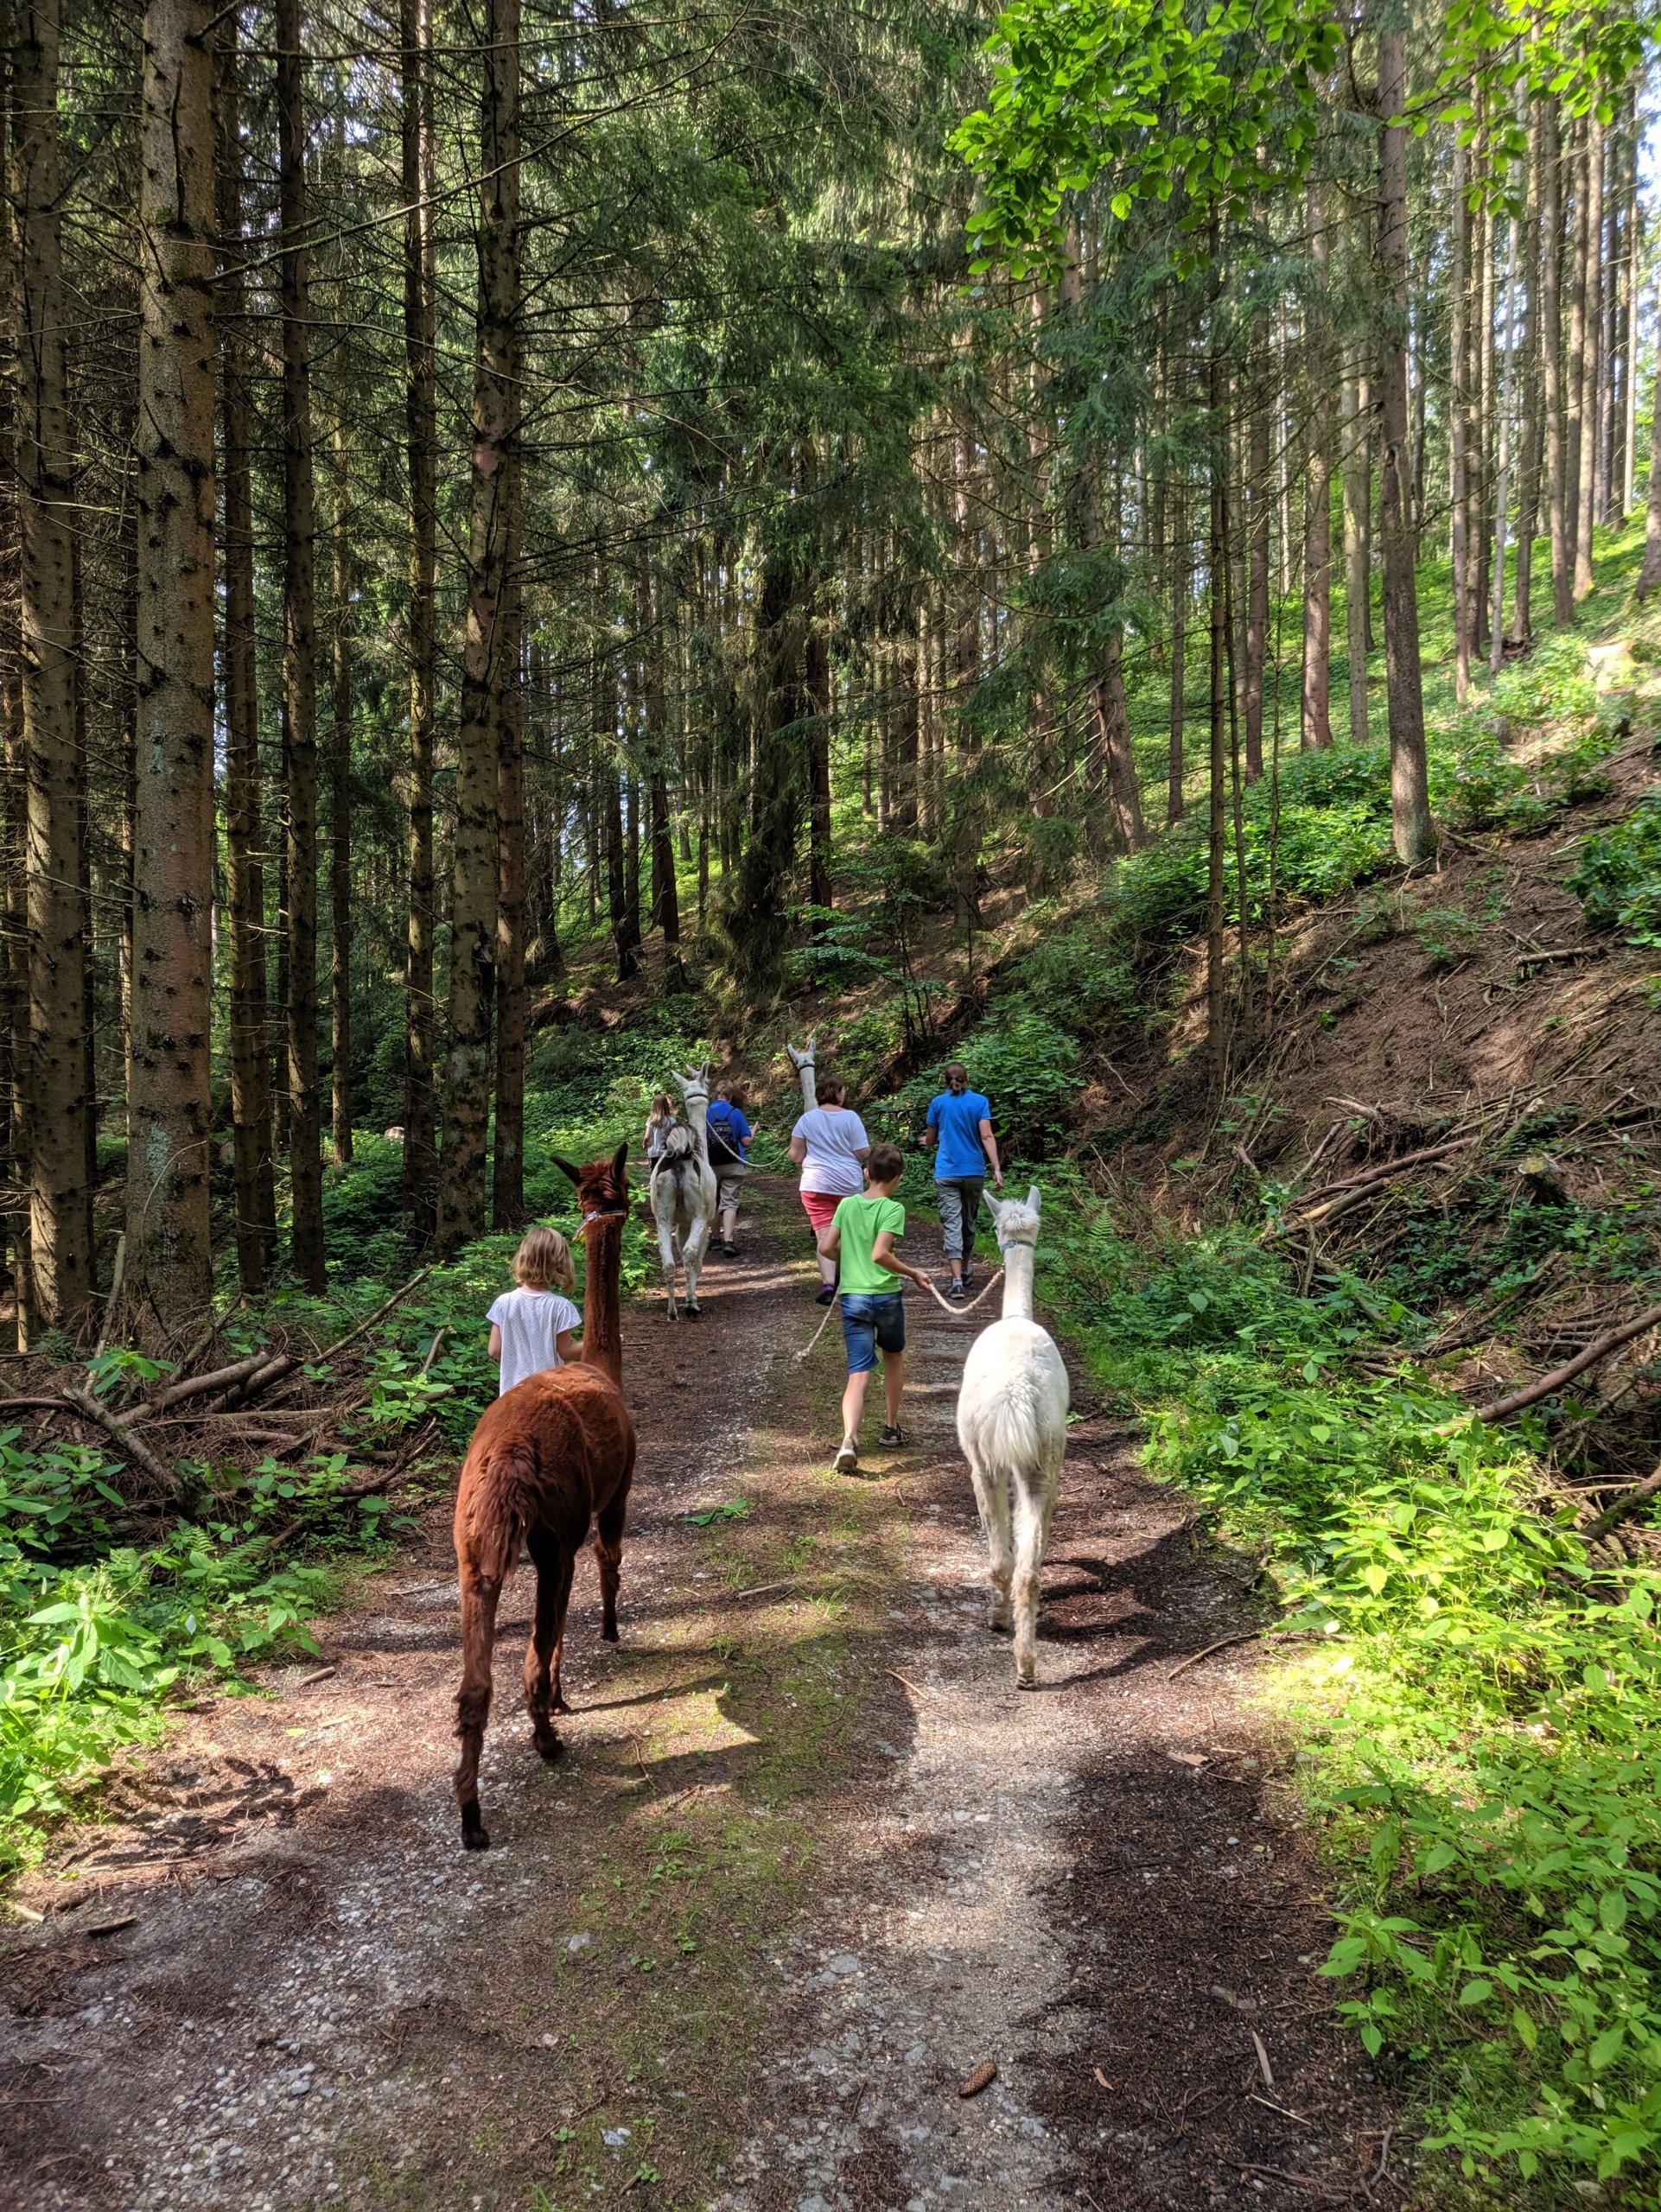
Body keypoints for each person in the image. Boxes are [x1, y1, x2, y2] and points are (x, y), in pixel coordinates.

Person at [817, 1142, 932, 1474]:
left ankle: (850, 1439)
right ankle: (890, 1428)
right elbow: (880, 1254)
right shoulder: (892, 1209)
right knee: (893, 1356)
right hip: (885, 1296)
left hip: (853, 1297)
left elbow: (826, 1246)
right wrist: (913, 1273)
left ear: (866, 1174)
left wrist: (846, 1262)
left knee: (858, 1372)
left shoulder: (847, 1205)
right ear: (898, 1178)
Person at [919, 1060, 1002, 1300]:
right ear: (967, 1078)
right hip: (973, 1171)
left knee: (952, 1224)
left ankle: (956, 1281)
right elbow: (986, 1136)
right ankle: (964, 1269)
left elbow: (932, 1140)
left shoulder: (938, 1103)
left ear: (945, 1081)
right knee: (968, 1223)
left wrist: (926, 1140)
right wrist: (996, 1168)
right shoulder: (980, 1102)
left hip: (947, 1172)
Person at [789, 1074, 871, 1305]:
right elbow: (862, 1153)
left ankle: (828, 1285)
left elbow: (796, 1155)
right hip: (847, 1184)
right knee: (847, 1233)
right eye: (842, 1090)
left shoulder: (806, 1119)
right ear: (835, 1092)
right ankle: (848, 1282)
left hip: (816, 1184)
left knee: (823, 1235)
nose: (844, 1094)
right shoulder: (851, 1118)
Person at [487, 1227, 582, 1395]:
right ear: (560, 1263)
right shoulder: (561, 1306)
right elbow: (566, 1352)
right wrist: (600, 1340)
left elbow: (494, 1351)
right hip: (548, 1393)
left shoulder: (503, 1302)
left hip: (512, 1396)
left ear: (523, 1258)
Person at [705, 1081, 756, 1258]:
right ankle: (728, 1241)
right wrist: (753, 1131)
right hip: (734, 1164)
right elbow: (746, 1142)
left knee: (713, 1201)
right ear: (731, 1095)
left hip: (710, 1165)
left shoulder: (705, 1113)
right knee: (729, 1202)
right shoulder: (736, 1113)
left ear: (715, 1094)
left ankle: (714, 1239)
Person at [642, 1092, 678, 1164]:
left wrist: (644, 1144)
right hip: (668, 1153)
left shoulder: (651, 1120)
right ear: (666, 1106)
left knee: (655, 1173)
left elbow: (647, 1137)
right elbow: (675, 1137)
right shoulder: (672, 1121)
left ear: (654, 1106)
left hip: (655, 1153)